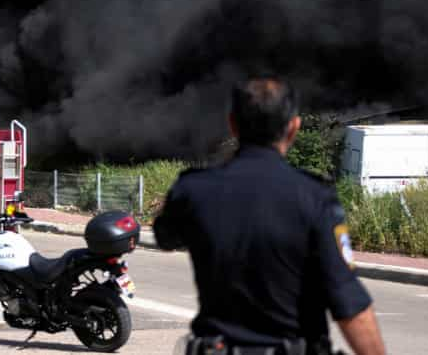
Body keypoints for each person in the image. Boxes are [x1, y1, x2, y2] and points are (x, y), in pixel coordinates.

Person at [154, 78, 386, 355]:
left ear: (232, 124)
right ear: (294, 127)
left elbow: (164, 236)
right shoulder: (314, 198)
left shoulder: (193, 190)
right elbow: (350, 305)